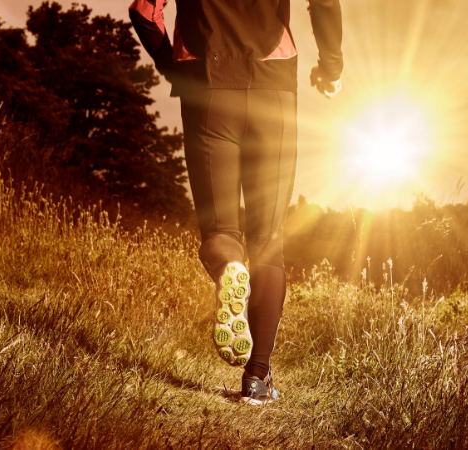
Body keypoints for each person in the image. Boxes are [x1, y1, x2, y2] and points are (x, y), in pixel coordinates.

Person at [129, 0, 343, 405]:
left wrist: (176, 66)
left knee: (221, 231)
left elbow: (144, 12)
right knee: (268, 239)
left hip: (207, 92)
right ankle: (257, 379)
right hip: (274, 91)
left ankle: (229, 268)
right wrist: (330, 67)